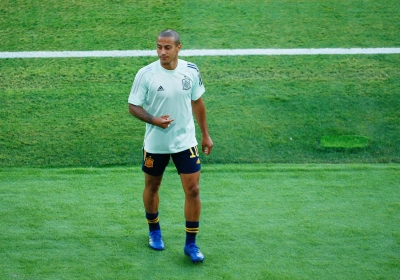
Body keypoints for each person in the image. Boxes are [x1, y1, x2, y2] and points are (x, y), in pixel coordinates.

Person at [128, 29, 213, 263]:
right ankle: (154, 230)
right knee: (152, 187)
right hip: (156, 143)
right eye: (158, 47)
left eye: (167, 47)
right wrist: (154, 120)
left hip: (185, 141)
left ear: (178, 48)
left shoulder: (191, 70)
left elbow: (197, 103)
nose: (162, 52)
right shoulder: (145, 74)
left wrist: (205, 135)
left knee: (193, 190)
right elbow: (133, 106)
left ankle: (191, 245)